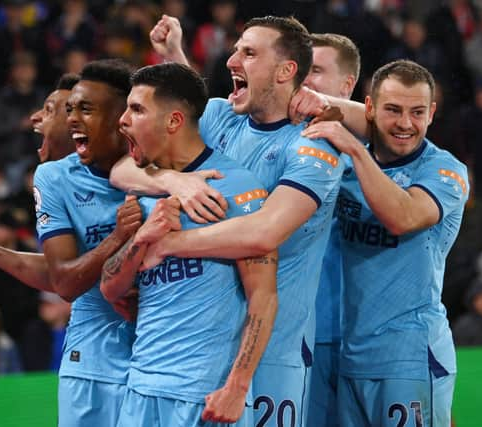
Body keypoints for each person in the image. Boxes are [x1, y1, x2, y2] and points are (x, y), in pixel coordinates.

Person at [111, 15, 344, 426]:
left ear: (287, 70)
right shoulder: (222, 116)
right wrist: (174, 180)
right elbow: (126, 166)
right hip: (201, 356)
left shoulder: (314, 144)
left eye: (249, 53)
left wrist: (164, 244)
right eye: (236, 48)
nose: (231, 59)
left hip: (274, 350)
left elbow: (263, 233)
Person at [0, 62, 142, 427]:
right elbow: (62, 277)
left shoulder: (153, 166)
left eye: (58, 108)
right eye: (62, 109)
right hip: (94, 357)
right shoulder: (55, 178)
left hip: (157, 352)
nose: (38, 117)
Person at [101, 62, 277, 426]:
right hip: (141, 386)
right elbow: (109, 286)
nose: (122, 120)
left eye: (136, 109)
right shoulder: (145, 192)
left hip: (206, 394)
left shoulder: (239, 187)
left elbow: (263, 297)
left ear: (173, 122)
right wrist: (141, 242)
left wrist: (237, 387)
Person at [301, 60, 468, 427]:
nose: (405, 124)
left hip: (410, 354)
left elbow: (403, 217)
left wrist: (357, 150)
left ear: (432, 114)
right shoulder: (342, 164)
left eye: (417, 112)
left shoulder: (444, 170)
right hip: (351, 355)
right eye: (392, 110)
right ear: (370, 108)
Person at [0, 73, 79, 288]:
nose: (35, 117)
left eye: (49, 110)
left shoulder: (128, 180)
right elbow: (58, 274)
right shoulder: (51, 180)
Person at [301, 33, 360, 427]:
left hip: (368, 340)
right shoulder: (286, 147)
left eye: (316, 71)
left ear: (347, 86)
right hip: (306, 337)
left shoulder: (383, 155)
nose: (305, 82)